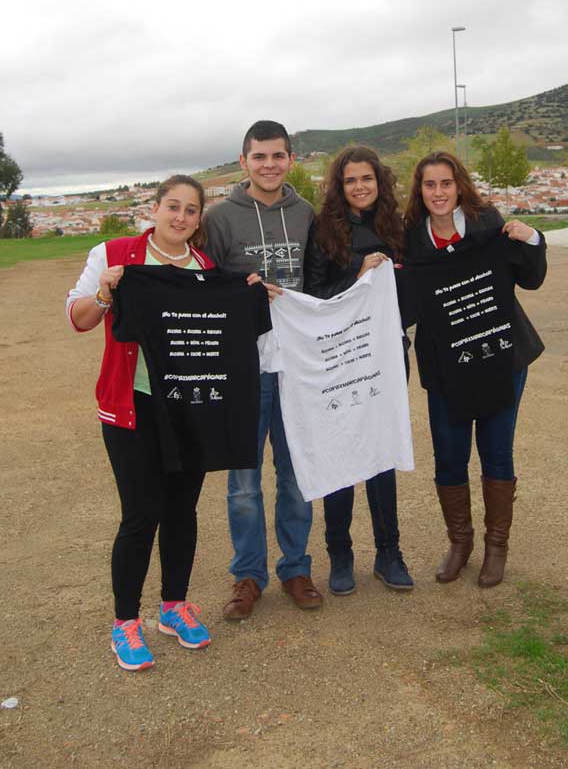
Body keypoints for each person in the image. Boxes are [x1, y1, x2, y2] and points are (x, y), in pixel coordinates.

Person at [66, 175, 215, 671]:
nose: (181, 218)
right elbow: (79, 318)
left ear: (199, 219)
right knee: (140, 512)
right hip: (131, 404)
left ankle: (174, 606)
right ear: (155, 207)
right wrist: (107, 291)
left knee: (182, 509)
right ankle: (125, 622)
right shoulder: (114, 253)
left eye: (191, 210)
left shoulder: (205, 268)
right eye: (173, 206)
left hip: (186, 408)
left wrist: (247, 294)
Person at [403, 152, 546, 589]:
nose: (439, 193)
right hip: (445, 367)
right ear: (420, 190)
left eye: (447, 183)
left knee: (497, 451)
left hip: (501, 358)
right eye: (431, 185)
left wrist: (533, 237)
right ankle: (460, 543)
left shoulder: (487, 224)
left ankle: (496, 546)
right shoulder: (410, 240)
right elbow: (404, 302)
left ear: (459, 185)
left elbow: (531, 278)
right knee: (449, 456)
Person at [203, 120, 321, 619]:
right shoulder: (219, 217)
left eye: (278, 156)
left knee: (297, 476)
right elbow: (202, 285)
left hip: (296, 362)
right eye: (259, 156)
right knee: (244, 480)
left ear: (290, 159)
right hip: (244, 364)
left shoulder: (307, 214)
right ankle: (247, 575)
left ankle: (295, 567)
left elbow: (321, 279)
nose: (269, 165)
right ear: (243, 160)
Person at [303, 146, 414, 595]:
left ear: (379, 181)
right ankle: (340, 555)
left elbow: (411, 289)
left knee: (382, 451)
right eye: (350, 180)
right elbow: (314, 291)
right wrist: (357, 273)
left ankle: (389, 553)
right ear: (339, 185)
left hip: (386, 353)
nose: (359, 186)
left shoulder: (397, 226)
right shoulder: (325, 231)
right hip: (341, 357)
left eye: (366, 178)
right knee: (342, 453)